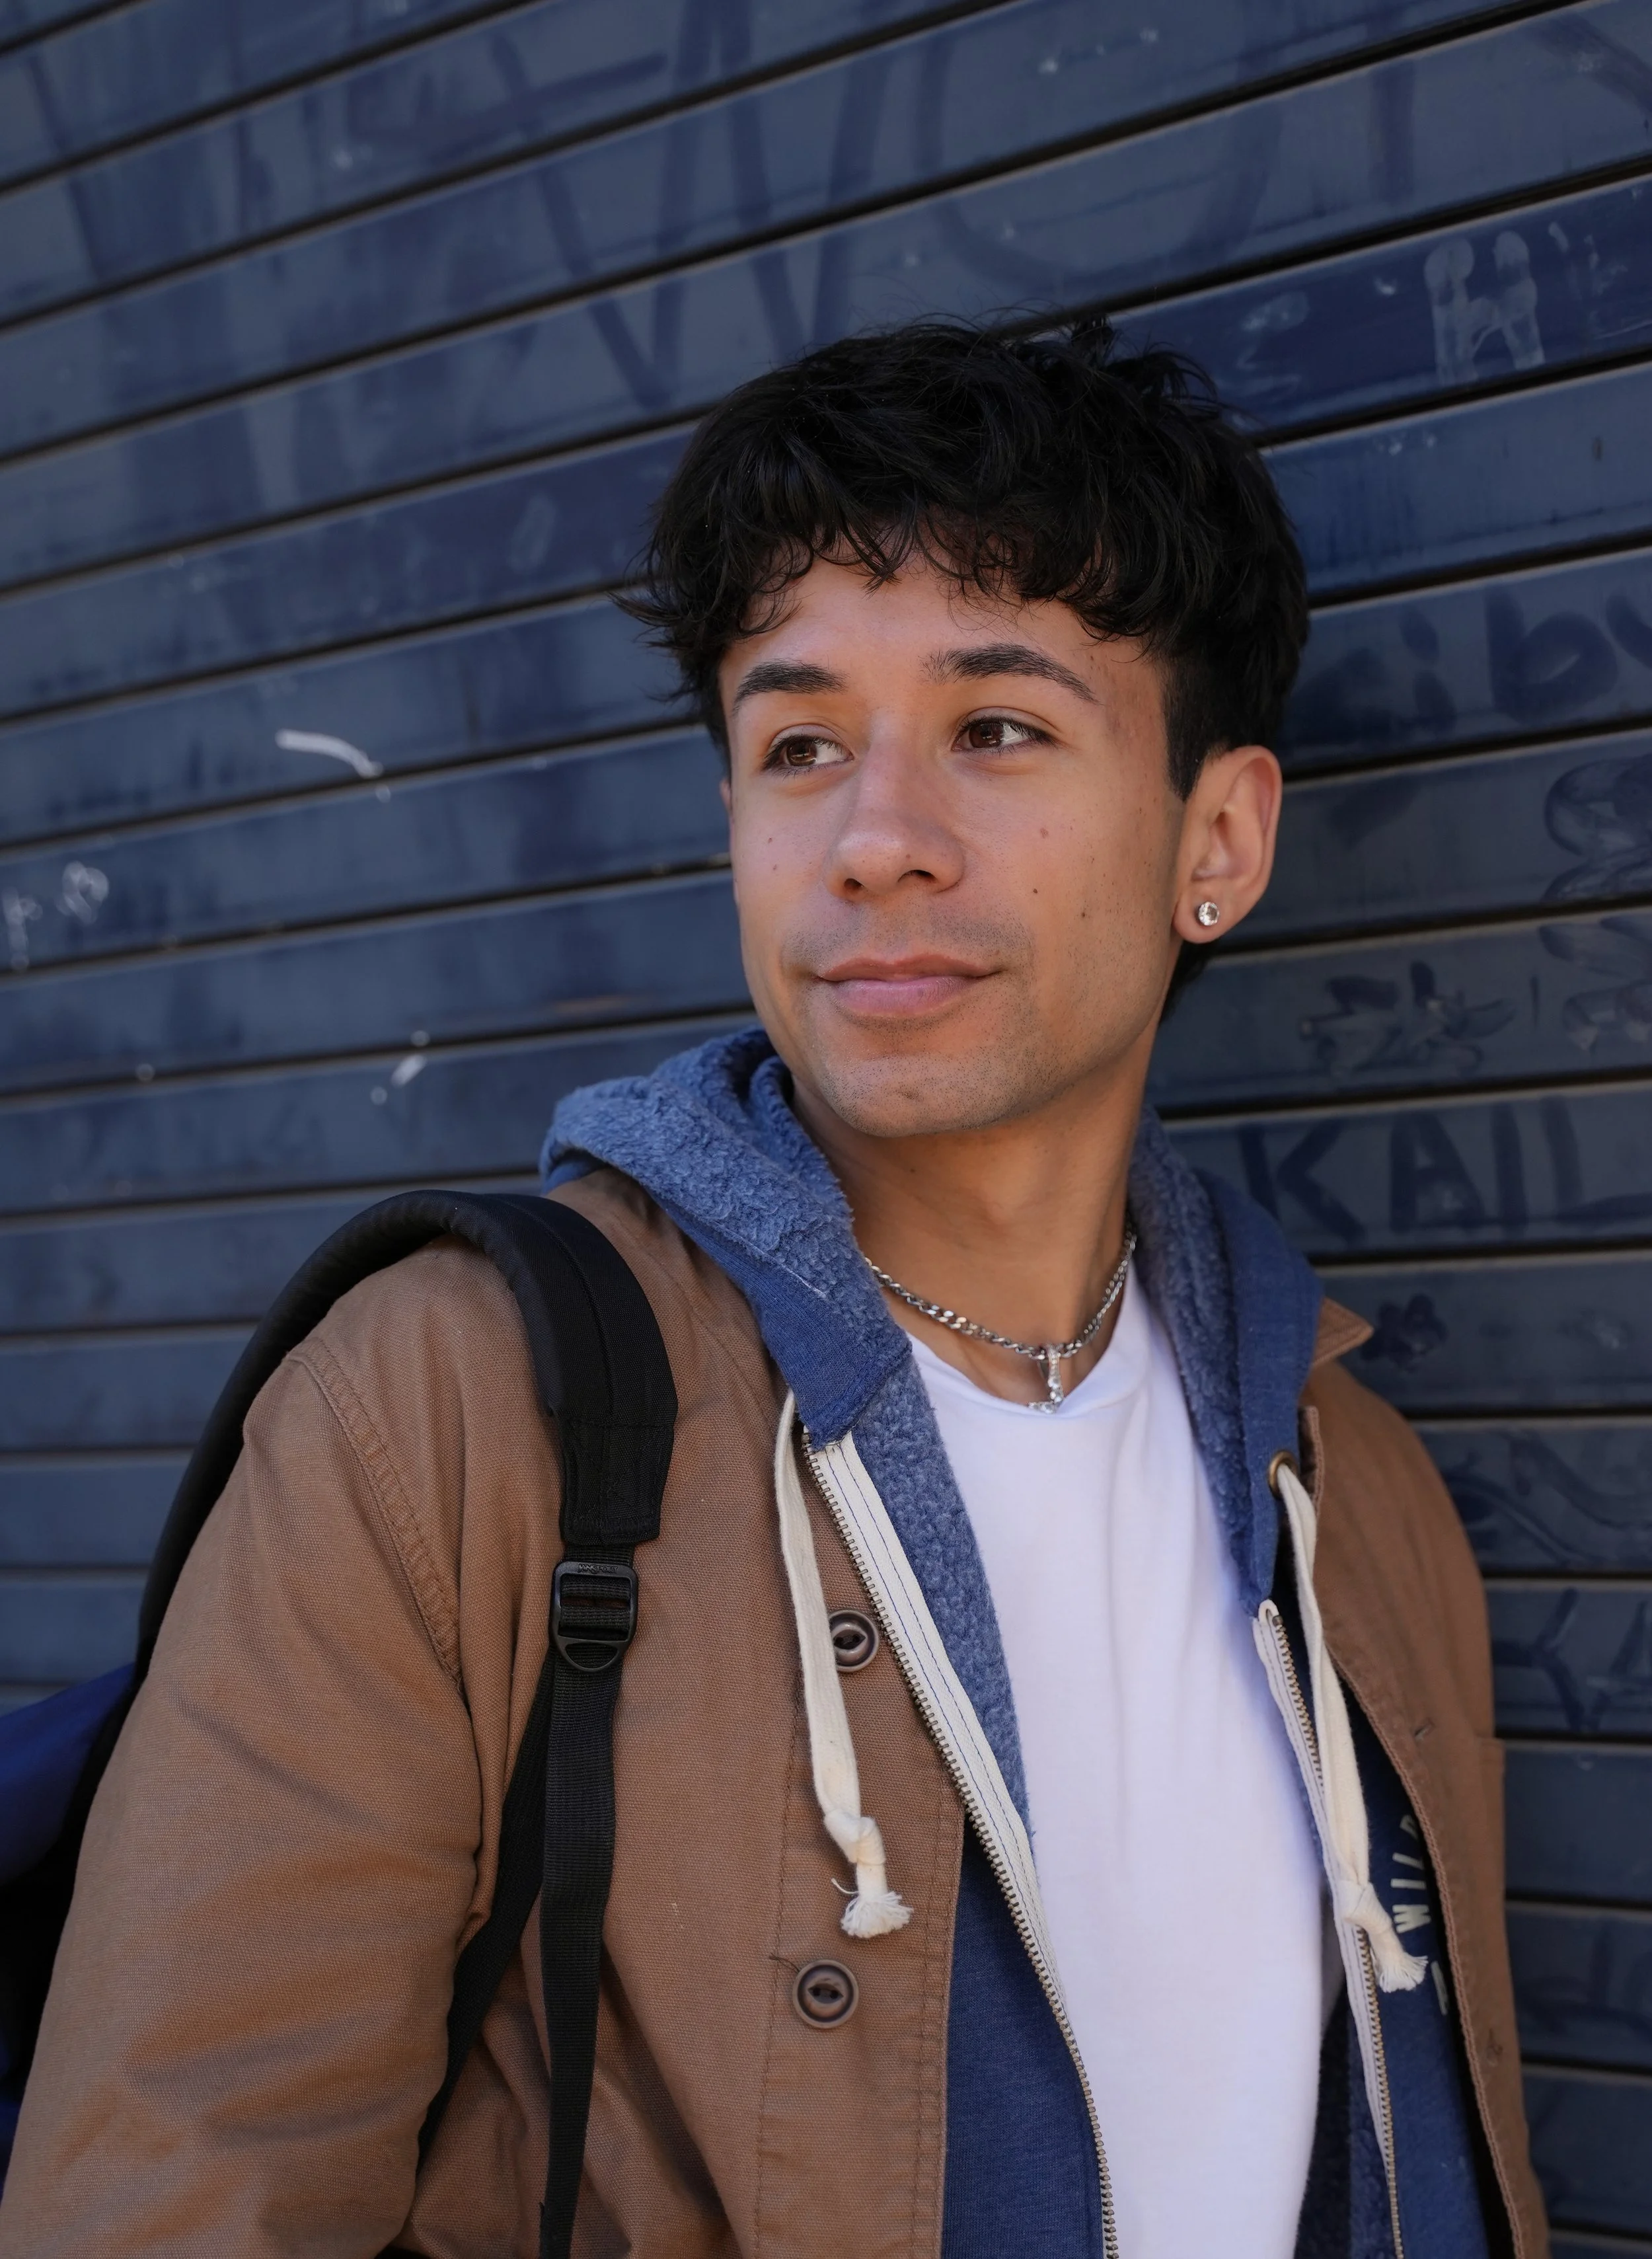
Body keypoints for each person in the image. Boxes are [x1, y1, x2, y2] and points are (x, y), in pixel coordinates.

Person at [0, 321, 1545, 2258]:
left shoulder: (1353, 1494)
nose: (874, 842)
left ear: (1214, 841)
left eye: (997, 729)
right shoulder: (460, 1403)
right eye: (798, 742)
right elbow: (171, 2198)